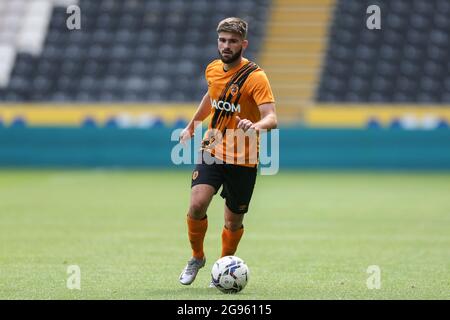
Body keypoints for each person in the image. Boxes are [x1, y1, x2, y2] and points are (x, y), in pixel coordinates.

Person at [178, 17, 277, 286]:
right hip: (213, 148)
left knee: (233, 223)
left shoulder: (256, 77)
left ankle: (221, 269)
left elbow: (272, 118)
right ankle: (197, 257)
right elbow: (211, 97)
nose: (226, 45)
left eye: (232, 41)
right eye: (222, 40)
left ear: (243, 44)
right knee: (197, 205)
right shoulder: (212, 69)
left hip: (244, 160)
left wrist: (255, 126)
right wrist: (191, 126)